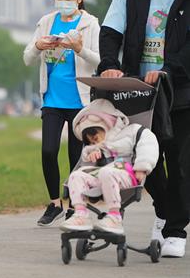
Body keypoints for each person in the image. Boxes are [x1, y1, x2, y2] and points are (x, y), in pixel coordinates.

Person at [98, 0, 190, 257]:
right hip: (140, 92)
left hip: (181, 92)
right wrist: (110, 64)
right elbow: (111, 32)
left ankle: (176, 229)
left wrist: (170, 69)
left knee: (180, 163)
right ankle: (164, 212)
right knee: (144, 161)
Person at [23, 0, 100, 226]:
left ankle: (75, 205)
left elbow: (100, 61)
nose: (64, 2)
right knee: (48, 151)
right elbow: (27, 58)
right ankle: (54, 202)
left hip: (80, 100)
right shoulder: (46, 22)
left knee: (75, 157)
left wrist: (79, 49)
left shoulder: (90, 24)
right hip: (52, 99)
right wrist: (38, 45)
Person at [60, 99, 159, 234]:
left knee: (107, 172)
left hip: (127, 174)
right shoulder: (99, 147)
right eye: (90, 142)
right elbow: (89, 158)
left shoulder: (132, 131)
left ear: (107, 124)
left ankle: (114, 216)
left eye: (95, 138)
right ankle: (80, 214)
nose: (94, 143)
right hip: (103, 175)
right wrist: (92, 153)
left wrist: (142, 167)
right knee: (76, 175)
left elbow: (148, 143)